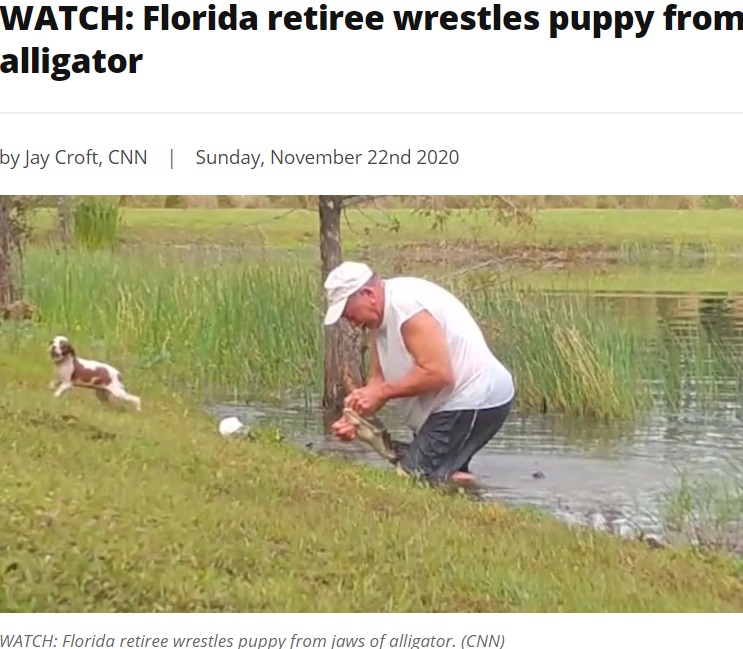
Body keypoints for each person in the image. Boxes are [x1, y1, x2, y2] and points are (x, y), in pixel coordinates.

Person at [323, 260, 515, 486]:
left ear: (368, 294)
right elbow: (378, 379)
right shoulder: (378, 320)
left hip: (474, 398)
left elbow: (439, 373)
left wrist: (382, 393)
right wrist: (355, 417)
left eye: (347, 312)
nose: (350, 322)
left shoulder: (407, 309)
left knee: (413, 478)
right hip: (447, 405)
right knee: (437, 473)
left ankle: (490, 500)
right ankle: (475, 501)